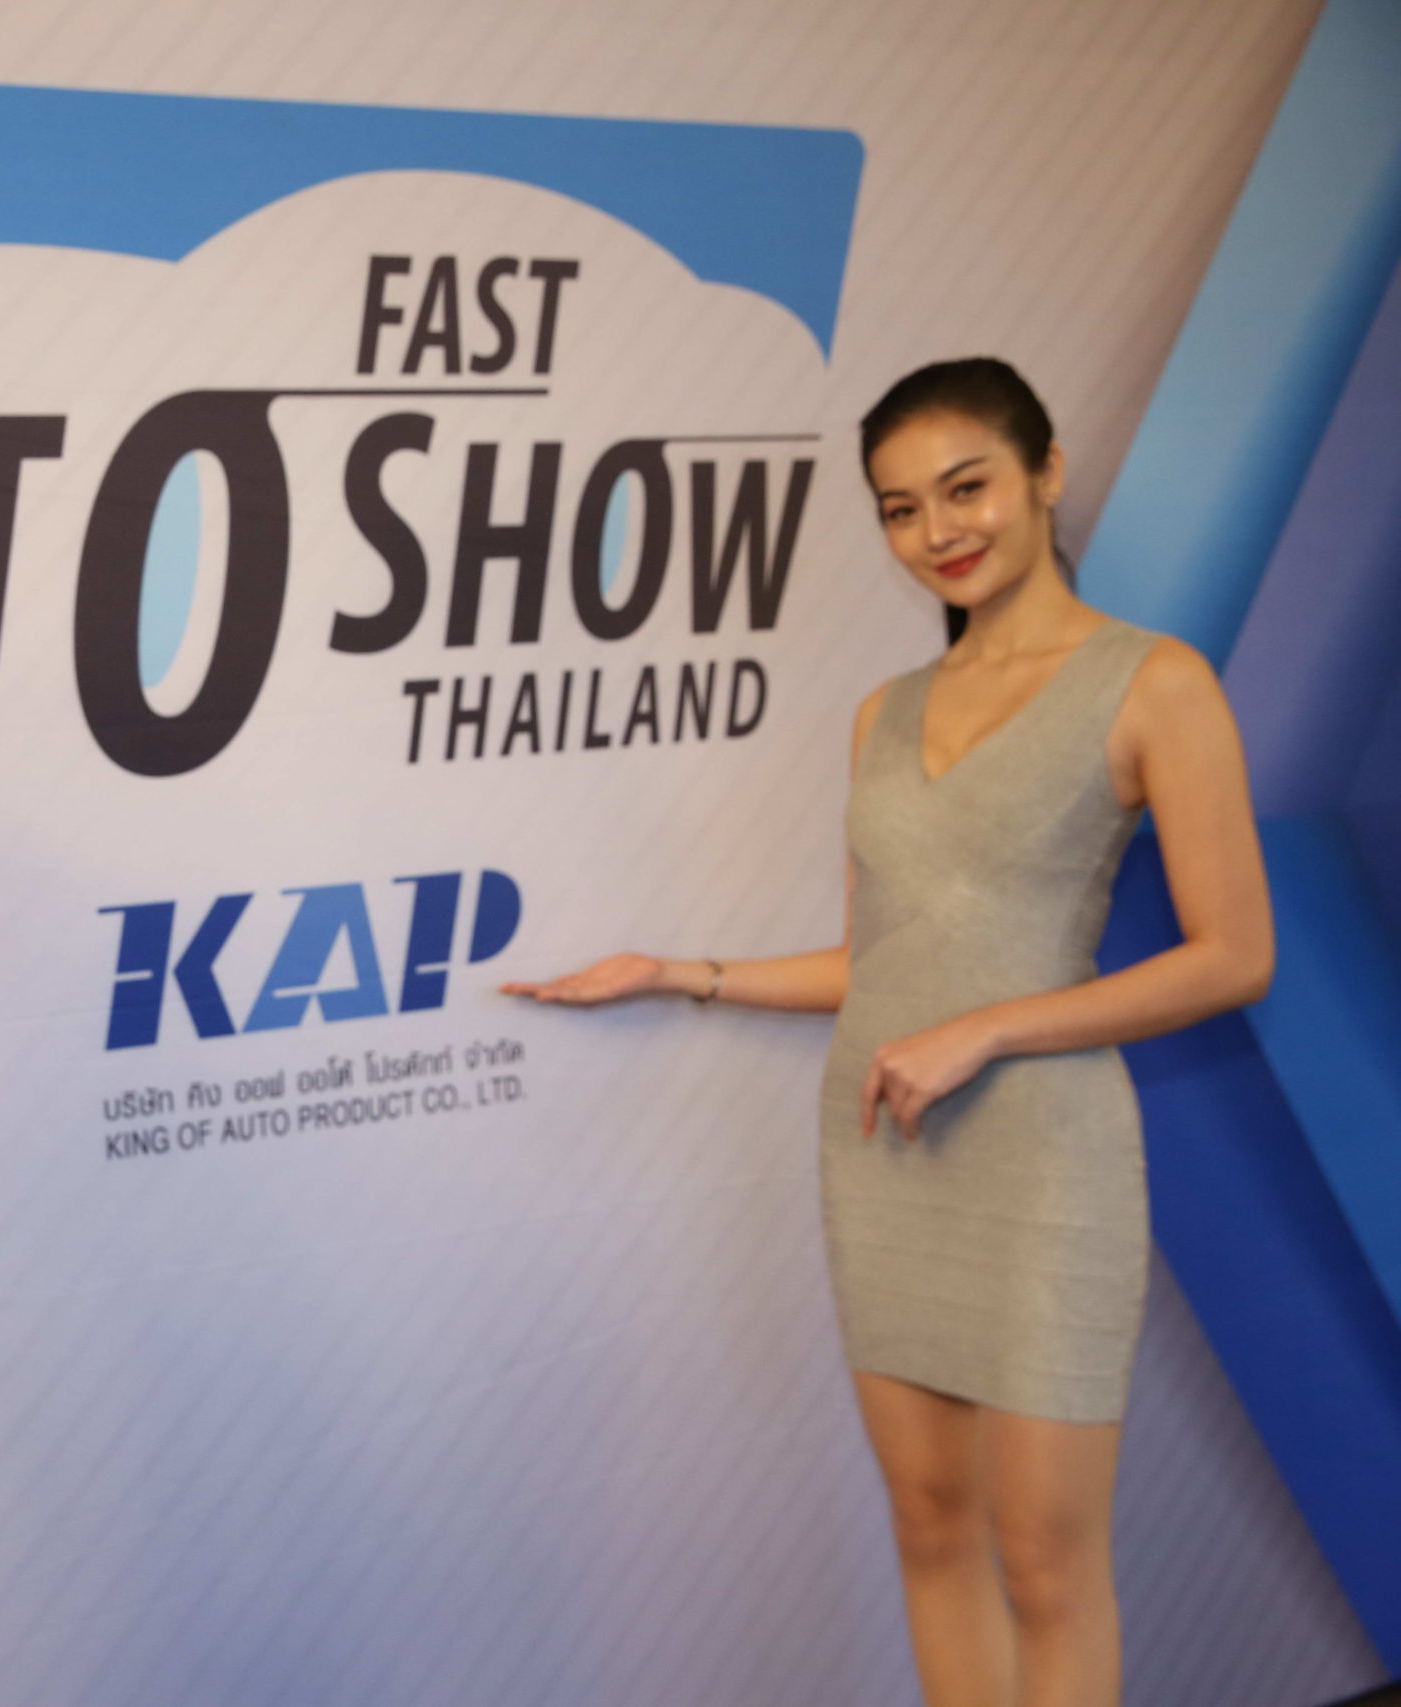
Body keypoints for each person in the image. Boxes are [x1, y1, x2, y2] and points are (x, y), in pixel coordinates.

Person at [502, 358, 1271, 1707]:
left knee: (1046, 1563)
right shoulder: (885, 711)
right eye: (901, 509)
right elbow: (876, 964)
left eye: (966, 488)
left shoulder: (1154, 683)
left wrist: (987, 1032)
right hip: (882, 1144)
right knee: (931, 1528)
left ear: (1046, 474)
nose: (938, 531)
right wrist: (679, 971)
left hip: (1043, 1158)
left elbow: (1234, 956)